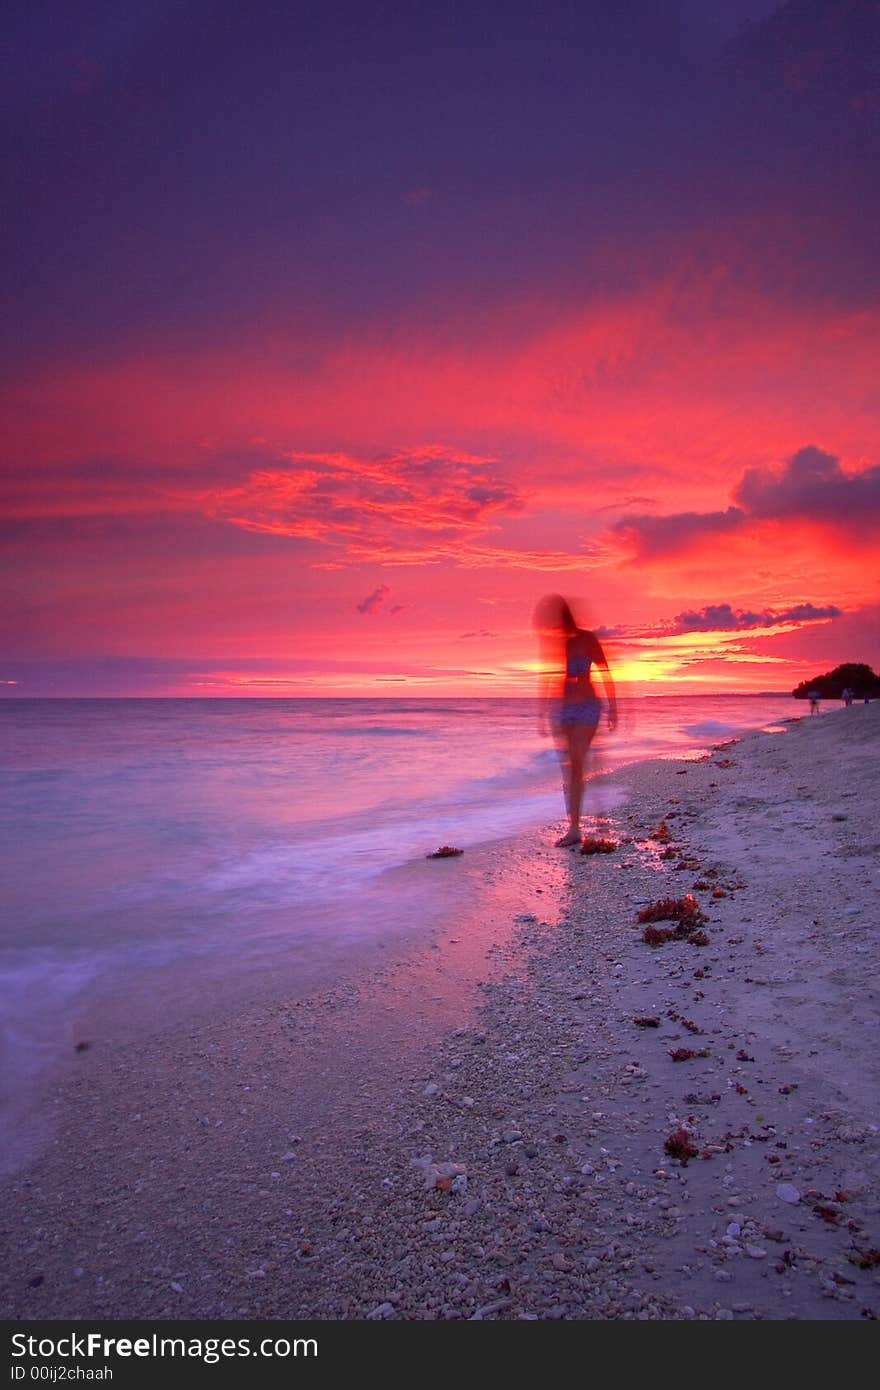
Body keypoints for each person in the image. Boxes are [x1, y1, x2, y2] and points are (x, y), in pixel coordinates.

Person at [534, 594, 617, 847]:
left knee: (578, 762)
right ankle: (576, 825)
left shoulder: (587, 638)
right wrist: (543, 711)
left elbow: (604, 671)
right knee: (570, 768)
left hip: (587, 706)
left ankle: (576, 826)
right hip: (563, 709)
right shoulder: (556, 643)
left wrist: (614, 707)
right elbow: (548, 677)